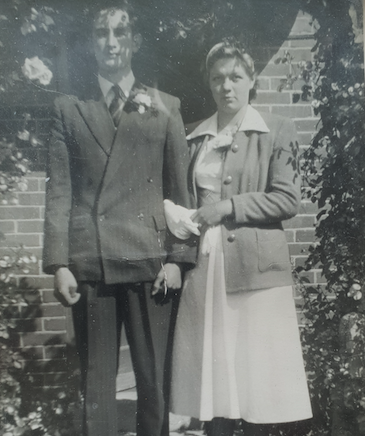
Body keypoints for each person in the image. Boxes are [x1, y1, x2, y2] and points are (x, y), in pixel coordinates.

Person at [42, 2, 195, 436]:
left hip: (151, 263)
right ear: (91, 43)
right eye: (101, 33)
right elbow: (59, 191)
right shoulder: (69, 108)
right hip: (91, 262)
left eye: (120, 32)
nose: (111, 42)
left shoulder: (166, 107)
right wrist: (59, 263)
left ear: (135, 41)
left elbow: (178, 191)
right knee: (96, 388)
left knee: (154, 386)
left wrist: (178, 258)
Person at [168, 39, 313, 436]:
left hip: (255, 270)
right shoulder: (195, 138)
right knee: (215, 388)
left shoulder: (276, 130)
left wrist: (228, 207)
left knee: (257, 386)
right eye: (217, 79)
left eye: (235, 77)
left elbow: (286, 199)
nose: (226, 86)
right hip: (206, 270)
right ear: (209, 85)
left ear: (251, 81)